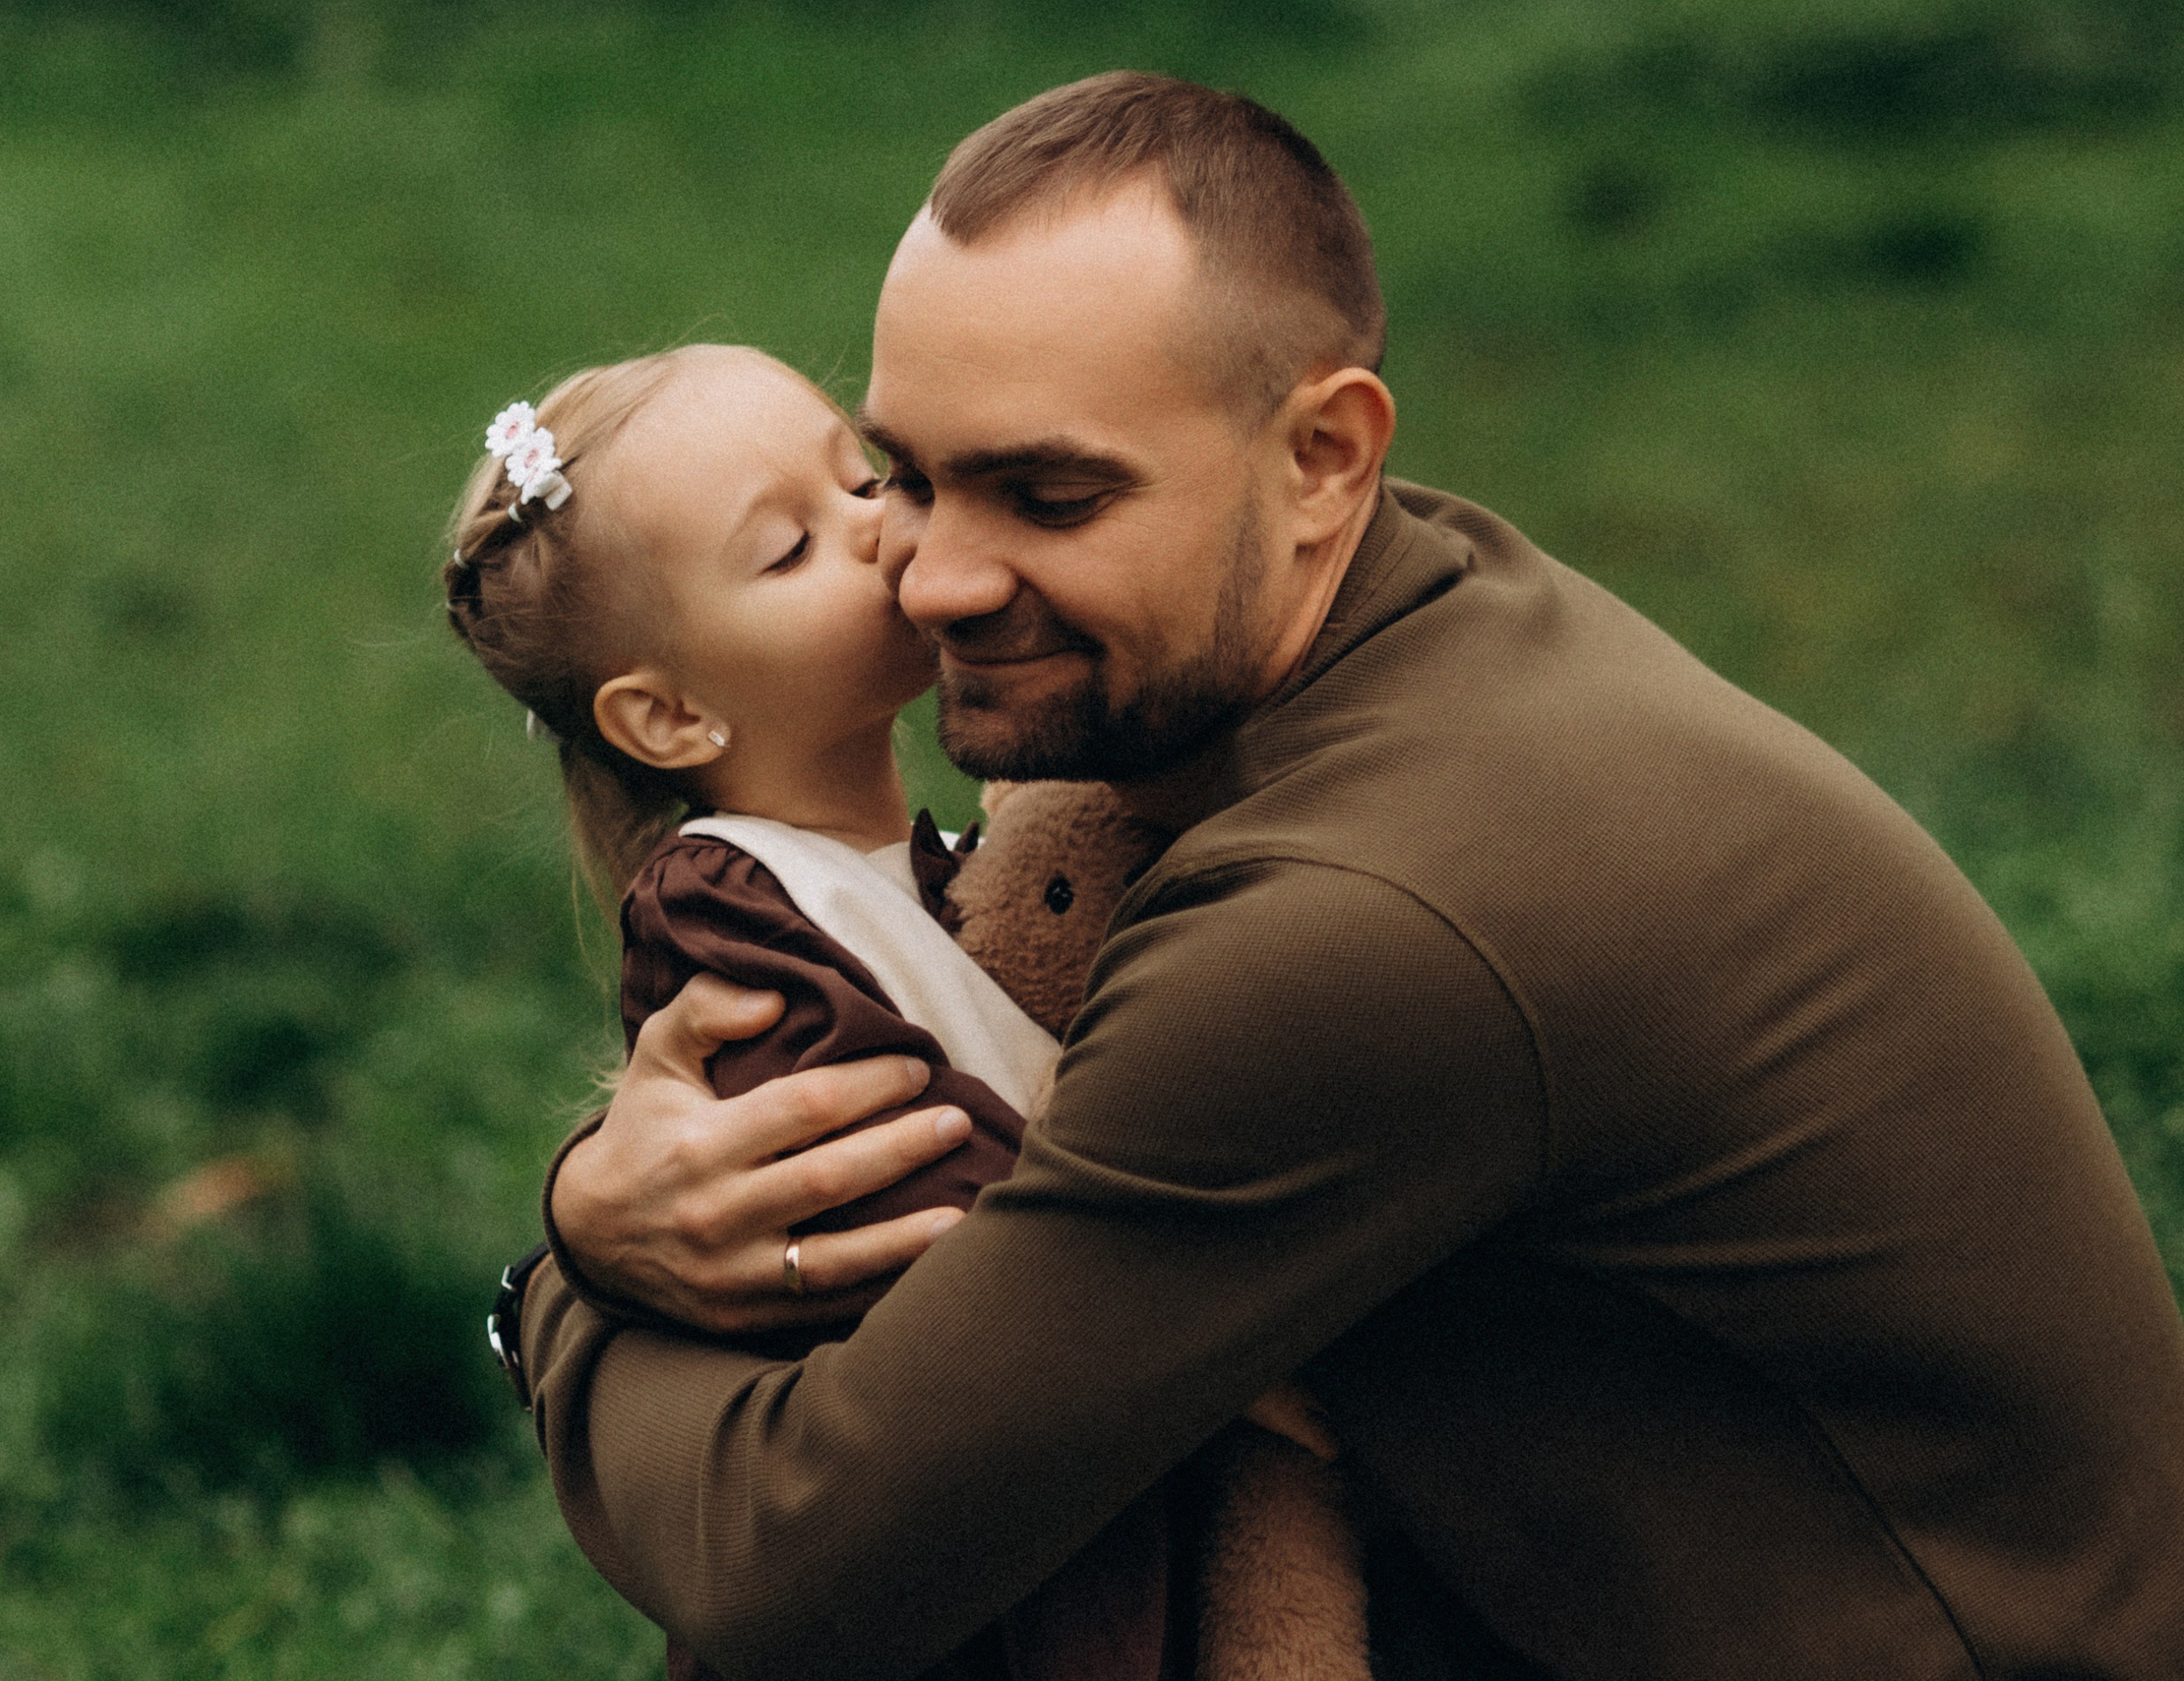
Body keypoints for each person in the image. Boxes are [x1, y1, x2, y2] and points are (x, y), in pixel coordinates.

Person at [509, 74, 2184, 1681]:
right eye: (914, 473)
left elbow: (806, 1566)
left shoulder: (1358, 924)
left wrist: (571, 1284)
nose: (932, 574)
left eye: (1052, 493)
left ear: (1322, 455)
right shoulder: (1403, 608)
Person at [443, 343, 1370, 1679]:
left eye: (863, 475)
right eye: (792, 547)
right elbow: (904, 1177)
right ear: (667, 712)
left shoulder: (955, 868)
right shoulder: (727, 915)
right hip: (951, 1585)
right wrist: (1217, 1318)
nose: (881, 526)